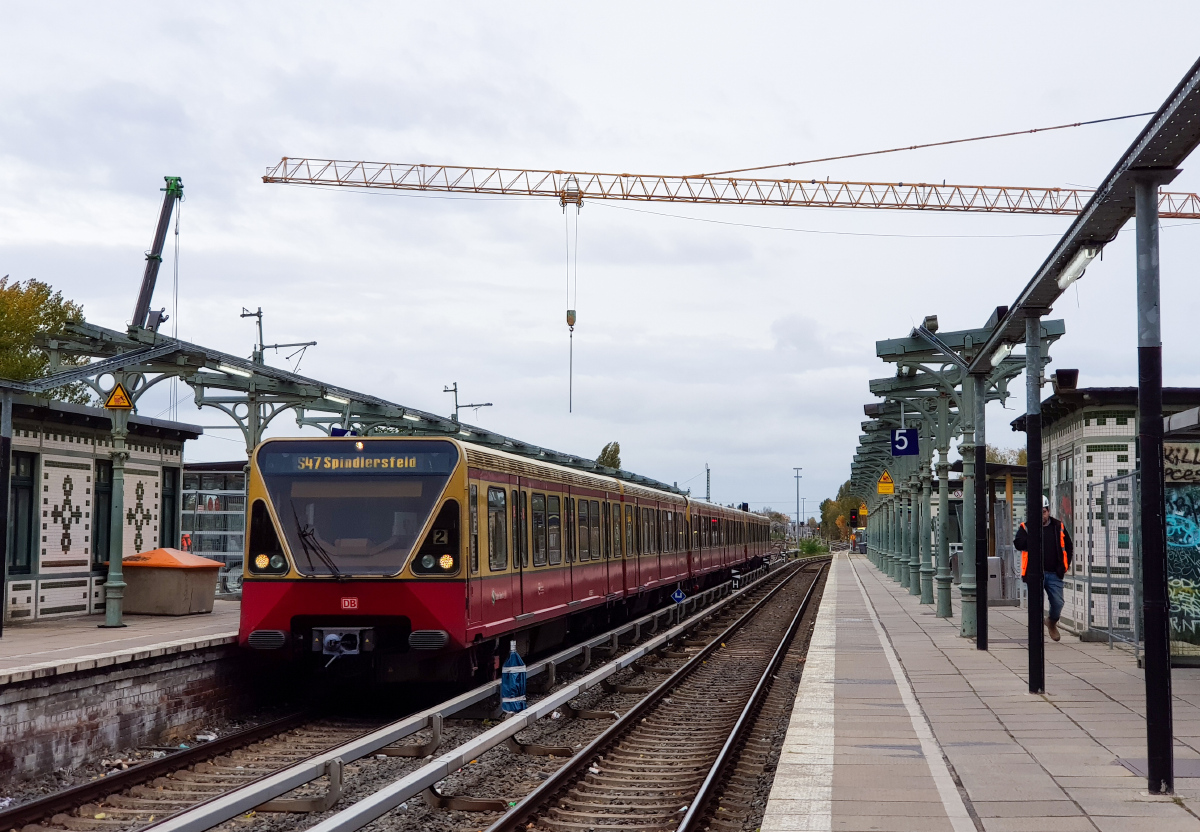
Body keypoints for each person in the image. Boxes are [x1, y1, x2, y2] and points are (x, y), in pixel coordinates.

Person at [1014, 495, 1073, 642]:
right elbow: (1018, 544)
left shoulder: (1058, 526)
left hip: (1054, 573)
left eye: (1044, 512)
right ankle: (1036, 632)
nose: (1042, 515)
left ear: (1048, 511)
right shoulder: (1026, 527)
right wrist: (1033, 533)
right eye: (1039, 512)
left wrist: (1064, 566)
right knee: (1036, 604)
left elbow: (1068, 546)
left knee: (1058, 603)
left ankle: (1051, 622)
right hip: (1035, 574)